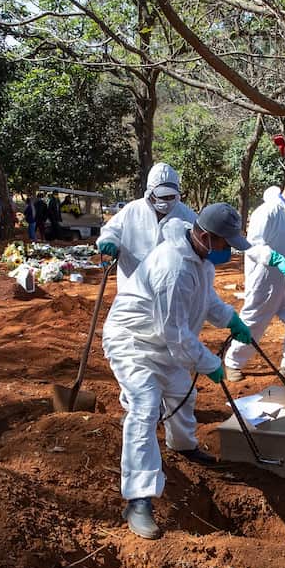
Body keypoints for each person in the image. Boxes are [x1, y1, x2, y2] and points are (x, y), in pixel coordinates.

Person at [102, 203, 255, 540]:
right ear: (204, 235)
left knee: (181, 393)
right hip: (133, 342)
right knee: (145, 406)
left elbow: (206, 301)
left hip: (160, 342)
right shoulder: (173, 267)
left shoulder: (199, 260)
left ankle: (183, 446)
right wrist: (212, 364)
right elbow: (177, 336)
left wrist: (231, 319)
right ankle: (138, 498)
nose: (227, 251)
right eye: (224, 244)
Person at [225, 168, 285, 381]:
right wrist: (276, 260)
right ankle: (233, 363)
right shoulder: (267, 211)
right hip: (267, 278)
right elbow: (253, 245)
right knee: (254, 322)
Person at [97, 163, 198, 280]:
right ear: (150, 192)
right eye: (163, 196)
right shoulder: (133, 210)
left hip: (169, 286)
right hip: (131, 282)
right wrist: (109, 241)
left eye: (171, 196)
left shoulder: (187, 216)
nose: (167, 201)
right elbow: (111, 230)